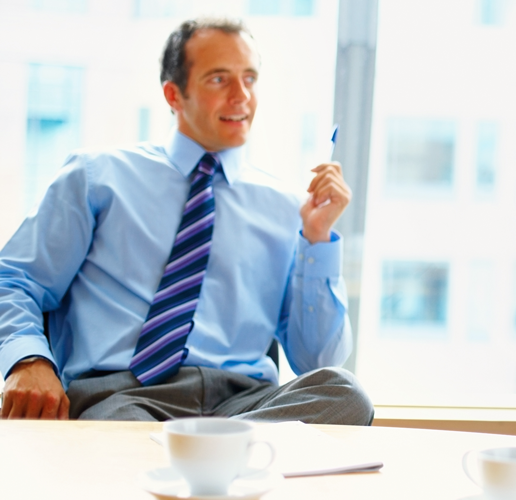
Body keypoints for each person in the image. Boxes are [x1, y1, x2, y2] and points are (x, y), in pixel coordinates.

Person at [0, 17, 374, 425]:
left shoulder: (288, 209)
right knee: (118, 428)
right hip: (125, 397)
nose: (241, 96)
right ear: (173, 94)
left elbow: (317, 360)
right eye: (219, 79)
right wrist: (27, 359)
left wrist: (316, 240)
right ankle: (221, 455)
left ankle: (201, 449)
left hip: (244, 403)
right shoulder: (96, 177)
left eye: (250, 78)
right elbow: (16, 280)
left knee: (346, 393)